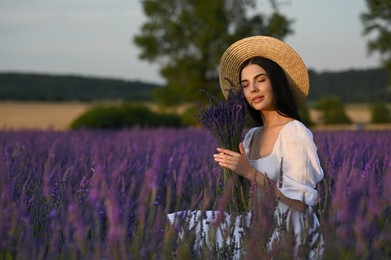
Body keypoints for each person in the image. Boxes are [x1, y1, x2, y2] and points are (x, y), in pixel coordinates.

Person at [167, 36, 324, 259]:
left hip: (290, 232)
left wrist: (249, 172)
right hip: (257, 225)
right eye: (245, 85)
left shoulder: (294, 132)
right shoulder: (251, 136)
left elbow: (299, 204)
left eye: (260, 80)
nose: (253, 89)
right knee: (181, 225)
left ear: (276, 82)